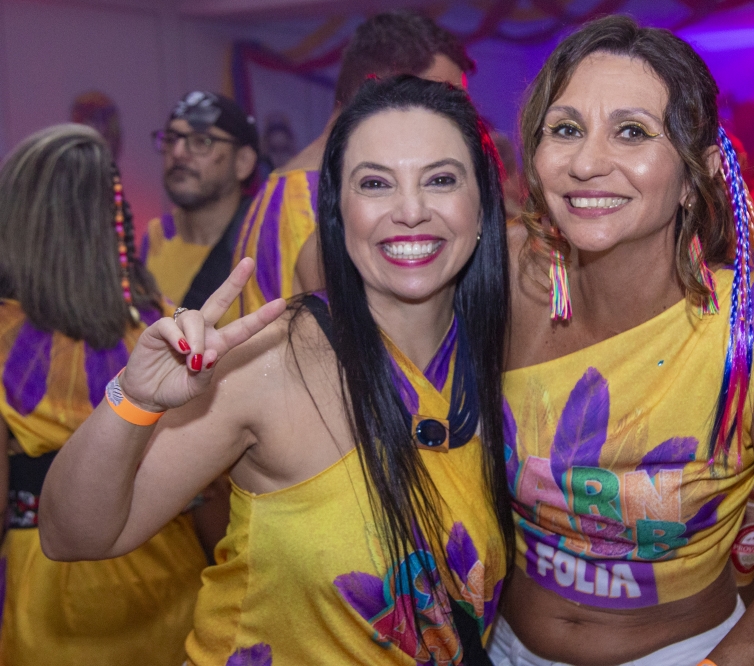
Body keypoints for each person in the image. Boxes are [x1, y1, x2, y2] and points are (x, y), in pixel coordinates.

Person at [40, 76, 512, 665]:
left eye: (441, 180)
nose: (411, 211)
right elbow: (73, 534)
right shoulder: (272, 358)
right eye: (375, 183)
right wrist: (134, 400)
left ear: (482, 206)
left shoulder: (500, 360)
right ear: (338, 212)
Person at [492, 17, 754, 666]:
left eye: (631, 131)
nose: (587, 163)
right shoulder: (505, 281)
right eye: (565, 129)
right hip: (505, 648)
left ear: (696, 175)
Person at [0, 124, 204, 664]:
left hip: (51, 586)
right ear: (115, 220)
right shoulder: (165, 326)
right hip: (168, 570)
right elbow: (209, 486)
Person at [235, 10, 475, 316]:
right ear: (384, 89)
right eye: (439, 99)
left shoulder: (288, 184)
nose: (456, 118)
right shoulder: (326, 199)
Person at [145, 91, 260, 326]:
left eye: (201, 141)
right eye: (171, 139)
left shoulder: (265, 241)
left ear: (243, 162)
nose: (177, 153)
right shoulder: (156, 237)